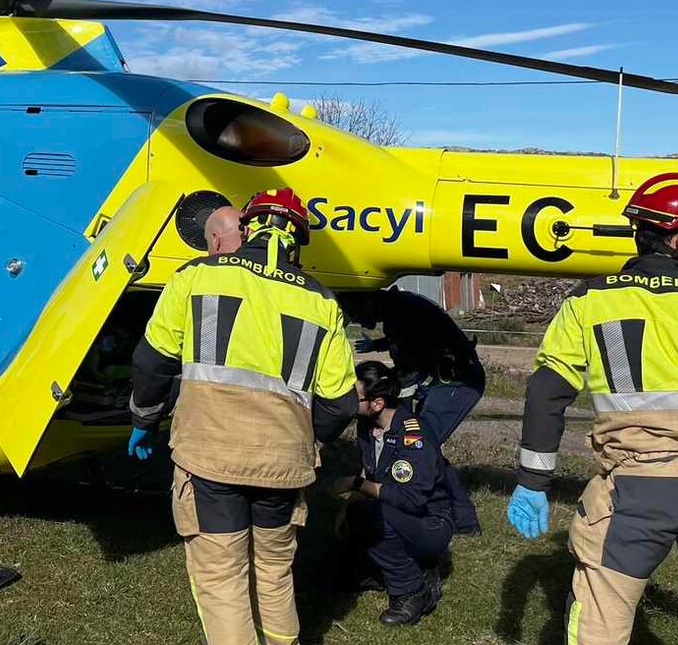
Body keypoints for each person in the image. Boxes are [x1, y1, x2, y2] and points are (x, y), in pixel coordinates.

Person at [506, 172, 678, 645]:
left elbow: (548, 390)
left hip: (634, 490)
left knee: (601, 618)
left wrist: (533, 482)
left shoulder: (590, 300)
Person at [128, 188, 359, 645]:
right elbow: (341, 403)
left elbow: (152, 361)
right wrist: (299, 439)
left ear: (250, 226)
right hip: (283, 465)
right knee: (274, 574)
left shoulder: (194, 276)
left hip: (209, 459)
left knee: (222, 577)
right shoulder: (323, 302)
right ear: (297, 240)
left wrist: (143, 418)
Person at [341, 287, 483, 535]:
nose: (356, 320)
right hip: (445, 377)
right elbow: (408, 340)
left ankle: (461, 519)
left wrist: (394, 418)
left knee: (424, 444)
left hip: (460, 380)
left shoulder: (399, 313)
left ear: (365, 301)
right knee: (423, 445)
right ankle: (442, 511)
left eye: (354, 314)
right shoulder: (397, 307)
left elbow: (406, 376)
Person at [332, 361, 451, 626]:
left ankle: (413, 590)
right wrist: (346, 509)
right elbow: (372, 473)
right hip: (399, 514)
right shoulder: (367, 428)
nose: (348, 402)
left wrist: (354, 484)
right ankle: (382, 571)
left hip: (430, 522)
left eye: (355, 397)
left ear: (377, 403)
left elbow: (410, 499)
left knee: (370, 516)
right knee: (339, 572)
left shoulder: (412, 435)